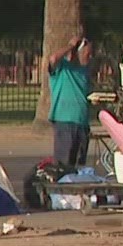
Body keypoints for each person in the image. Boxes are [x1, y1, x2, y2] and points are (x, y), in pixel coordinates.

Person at [46, 35, 95, 167]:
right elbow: (54, 58)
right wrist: (71, 46)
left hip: (82, 123)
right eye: (87, 53)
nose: (90, 57)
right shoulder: (62, 69)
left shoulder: (85, 72)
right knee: (63, 164)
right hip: (65, 121)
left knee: (78, 164)